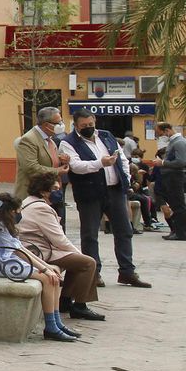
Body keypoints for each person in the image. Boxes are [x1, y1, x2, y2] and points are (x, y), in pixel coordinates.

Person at [0, 193, 80, 342]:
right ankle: (51, 327)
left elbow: (20, 247)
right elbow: (18, 251)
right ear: (10, 211)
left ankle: (57, 323)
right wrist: (44, 270)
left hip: (6, 261)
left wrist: (47, 266)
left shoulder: (0, 221)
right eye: (18, 211)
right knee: (47, 279)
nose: (20, 214)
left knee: (52, 274)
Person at [61, 109, 150, 289]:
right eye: (83, 126)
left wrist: (125, 178)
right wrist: (101, 163)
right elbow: (76, 166)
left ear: (95, 121)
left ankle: (127, 272)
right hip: (89, 194)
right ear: (76, 125)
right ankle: (94, 273)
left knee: (124, 230)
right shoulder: (68, 142)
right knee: (90, 234)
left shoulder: (107, 136)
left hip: (115, 191)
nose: (88, 128)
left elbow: (122, 159)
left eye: (90, 124)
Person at [15, 169, 103, 323]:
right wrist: (79, 254)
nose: (59, 192)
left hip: (35, 248)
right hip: (37, 252)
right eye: (54, 189)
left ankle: (66, 301)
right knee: (88, 263)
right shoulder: (41, 208)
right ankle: (80, 306)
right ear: (43, 191)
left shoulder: (30, 201)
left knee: (77, 262)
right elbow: (59, 240)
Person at [13, 106, 67, 206]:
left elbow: (48, 161)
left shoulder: (50, 139)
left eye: (61, 121)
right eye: (58, 123)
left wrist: (62, 161)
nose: (61, 125)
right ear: (46, 124)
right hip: (33, 198)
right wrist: (57, 171)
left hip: (52, 195)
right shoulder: (28, 139)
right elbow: (31, 168)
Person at [150, 122, 186, 240]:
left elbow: (181, 162)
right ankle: (176, 230)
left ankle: (181, 233)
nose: (160, 137)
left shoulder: (179, 142)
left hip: (175, 177)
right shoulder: (173, 142)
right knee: (175, 205)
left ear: (167, 130)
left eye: (160, 133)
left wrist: (163, 163)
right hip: (170, 177)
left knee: (178, 205)